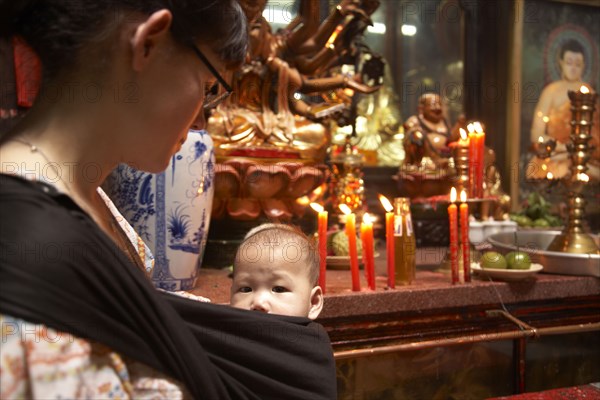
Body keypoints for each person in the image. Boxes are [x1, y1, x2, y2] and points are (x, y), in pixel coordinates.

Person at [0, 1, 336, 399]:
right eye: (210, 87)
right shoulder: (27, 241)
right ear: (150, 44)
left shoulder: (95, 203)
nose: (204, 118)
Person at [529, 39, 599, 180]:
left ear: (584, 65)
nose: (573, 68)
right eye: (569, 62)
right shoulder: (551, 91)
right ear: (561, 63)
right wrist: (562, 147)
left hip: (586, 156)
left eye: (578, 64)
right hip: (557, 154)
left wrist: (580, 149)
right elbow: (536, 134)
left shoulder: (590, 94)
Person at [230, 223, 324, 319]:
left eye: (279, 289)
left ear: (313, 302)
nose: (258, 302)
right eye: (245, 289)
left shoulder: (312, 334)